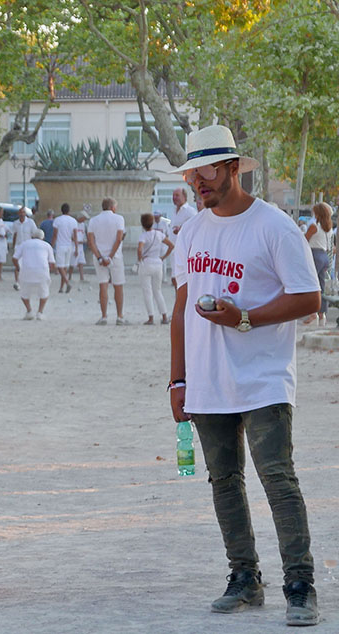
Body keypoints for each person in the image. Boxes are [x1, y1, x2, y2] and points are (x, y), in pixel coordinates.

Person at [170, 124, 321, 627]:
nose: (197, 182)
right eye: (192, 173)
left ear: (234, 168)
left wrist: (245, 317)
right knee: (224, 481)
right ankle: (244, 578)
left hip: (263, 378)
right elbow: (181, 308)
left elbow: (309, 298)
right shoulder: (191, 230)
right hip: (208, 381)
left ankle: (300, 585)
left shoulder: (274, 226)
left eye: (206, 171)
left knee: (277, 478)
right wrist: (177, 380)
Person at [87, 197, 128, 325]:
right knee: (118, 286)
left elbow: (91, 241)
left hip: (99, 256)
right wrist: (110, 256)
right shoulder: (119, 219)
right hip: (115, 257)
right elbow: (119, 238)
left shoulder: (93, 220)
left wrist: (99, 256)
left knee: (103, 286)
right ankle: (119, 316)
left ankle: (104, 316)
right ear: (113, 207)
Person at [137, 213, 175, 325]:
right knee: (158, 291)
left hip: (147, 263)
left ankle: (151, 317)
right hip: (158, 263)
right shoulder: (159, 234)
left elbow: (139, 249)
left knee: (147, 292)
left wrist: (140, 259)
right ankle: (164, 316)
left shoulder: (143, 236)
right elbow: (171, 245)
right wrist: (163, 257)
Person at [302, 203, 332, 326]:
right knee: (321, 286)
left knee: (310, 284)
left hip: (314, 255)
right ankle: (322, 314)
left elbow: (304, 239)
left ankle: (312, 313)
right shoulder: (328, 228)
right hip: (324, 256)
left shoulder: (314, 226)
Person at [15, 228, 55, 320]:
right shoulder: (47, 245)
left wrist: (18, 268)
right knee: (44, 292)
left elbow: (15, 258)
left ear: (32, 236)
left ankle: (29, 311)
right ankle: (40, 312)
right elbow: (52, 262)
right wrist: (50, 271)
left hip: (26, 271)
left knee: (24, 293)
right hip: (42, 271)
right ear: (43, 237)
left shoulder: (24, 244)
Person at [170, 188, 198, 287]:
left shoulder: (190, 211)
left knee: (182, 280)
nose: (174, 198)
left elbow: (196, 227)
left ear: (184, 197)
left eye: (177, 195)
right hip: (174, 250)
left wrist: (181, 229)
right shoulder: (174, 211)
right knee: (174, 279)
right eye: (173, 195)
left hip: (184, 252)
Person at [51, 203, 78, 294]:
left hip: (60, 245)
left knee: (60, 266)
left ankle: (67, 283)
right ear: (69, 211)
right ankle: (62, 287)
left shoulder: (57, 220)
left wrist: (52, 245)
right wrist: (77, 248)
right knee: (65, 267)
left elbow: (55, 234)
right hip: (69, 245)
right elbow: (75, 236)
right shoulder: (73, 221)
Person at [11, 208, 38, 290]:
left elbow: (34, 234)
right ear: (18, 214)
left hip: (28, 247)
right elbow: (14, 235)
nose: (22, 214)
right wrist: (13, 245)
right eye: (20, 212)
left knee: (28, 265)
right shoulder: (15, 223)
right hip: (18, 246)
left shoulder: (30, 222)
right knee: (17, 264)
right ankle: (17, 282)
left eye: (23, 212)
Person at [75, 211, 89, 282]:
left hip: (81, 245)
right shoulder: (74, 224)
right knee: (72, 262)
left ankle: (82, 277)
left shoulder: (84, 225)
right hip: (74, 245)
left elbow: (84, 235)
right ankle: (69, 277)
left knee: (81, 262)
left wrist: (85, 240)